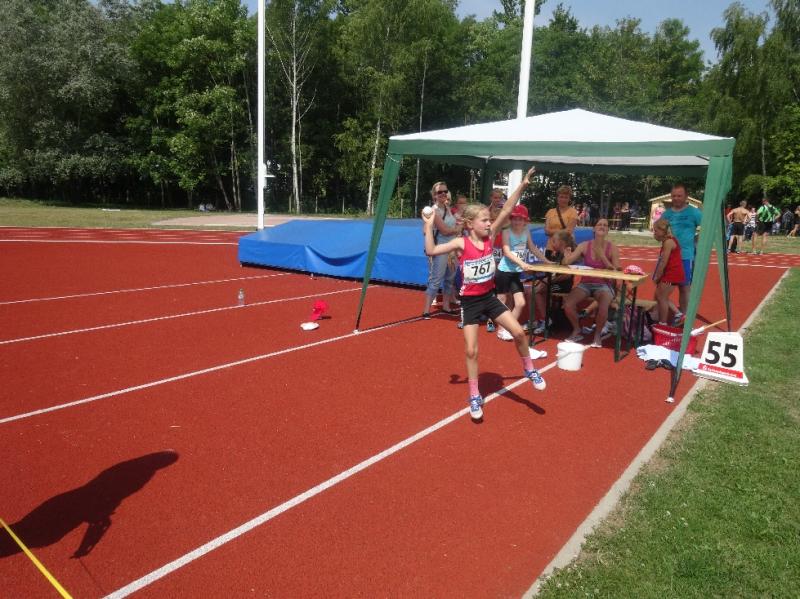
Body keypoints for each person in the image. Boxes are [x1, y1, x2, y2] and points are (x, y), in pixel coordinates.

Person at [422, 167, 546, 421]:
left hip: (489, 297)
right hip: (470, 302)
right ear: (470, 224)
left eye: (490, 220)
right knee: (471, 351)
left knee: (519, 332)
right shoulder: (461, 243)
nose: (490, 223)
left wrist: (523, 184)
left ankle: (529, 369)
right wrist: (428, 225)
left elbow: (508, 209)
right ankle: (474, 394)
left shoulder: (491, 237)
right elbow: (431, 250)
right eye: (485, 221)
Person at [561, 218, 621, 348]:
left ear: (608, 230)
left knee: (603, 306)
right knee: (568, 304)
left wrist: (603, 257)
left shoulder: (612, 248)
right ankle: (577, 329)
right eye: (599, 224)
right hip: (586, 283)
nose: (602, 226)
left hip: (604, 284)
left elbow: (617, 271)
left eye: (605, 225)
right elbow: (567, 262)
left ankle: (597, 335)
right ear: (594, 228)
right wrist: (566, 256)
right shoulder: (584, 245)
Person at [495, 204, 550, 341]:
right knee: (502, 300)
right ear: (511, 219)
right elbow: (507, 252)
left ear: (525, 221)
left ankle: (508, 327)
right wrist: (522, 264)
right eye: (515, 218)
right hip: (504, 272)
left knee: (520, 303)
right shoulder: (506, 232)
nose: (517, 221)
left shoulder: (526, 232)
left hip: (515, 273)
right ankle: (501, 330)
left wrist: (547, 261)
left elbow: (533, 248)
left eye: (520, 219)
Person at [660, 183, 702, 324]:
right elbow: (658, 233)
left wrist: (697, 239)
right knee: (662, 289)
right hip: (668, 257)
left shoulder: (694, 212)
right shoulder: (666, 214)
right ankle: (664, 318)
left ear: (686, 196)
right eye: (674, 196)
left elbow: (706, 227)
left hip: (685, 256)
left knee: (684, 288)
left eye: (679, 196)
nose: (676, 198)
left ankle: (685, 318)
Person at [422, 182, 459, 318]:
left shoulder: (448, 208)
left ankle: (446, 306)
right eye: (439, 192)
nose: (443, 193)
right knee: (436, 279)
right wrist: (458, 229)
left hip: (452, 248)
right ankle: (426, 310)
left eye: (445, 191)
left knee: (450, 278)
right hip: (440, 249)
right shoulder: (434, 211)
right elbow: (444, 230)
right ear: (434, 195)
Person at [532, 229, 576, 334]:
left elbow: (567, 275)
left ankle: (546, 320)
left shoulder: (567, 253)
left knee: (537, 291)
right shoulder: (558, 253)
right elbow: (554, 272)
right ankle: (544, 318)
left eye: (554, 241)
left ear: (561, 243)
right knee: (535, 290)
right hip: (556, 282)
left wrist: (550, 280)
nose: (552, 243)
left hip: (563, 285)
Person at [651, 219, 685, 325]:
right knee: (660, 295)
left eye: (656, 231)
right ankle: (678, 314)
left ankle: (663, 322)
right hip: (672, 272)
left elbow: (663, 261)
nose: (654, 233)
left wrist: (657, 276)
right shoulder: (669, 241)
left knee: (661, 297)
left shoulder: (668, 242)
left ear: (662, 231)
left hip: (672, 273)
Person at [544, 185, 579, 252]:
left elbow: (569, 232)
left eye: (566, 197)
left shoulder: (573, 212)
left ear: (569, 199)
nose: (563, 199)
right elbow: (546, 231)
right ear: (557, 198)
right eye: (561, 197)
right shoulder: (550, 212)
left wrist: (552, 231)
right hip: (550, 248)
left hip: (565, 249)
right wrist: (563, 230)